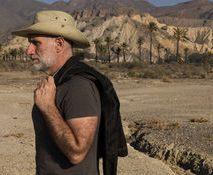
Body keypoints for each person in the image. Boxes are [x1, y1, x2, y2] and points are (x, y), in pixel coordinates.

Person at [12, 10, 127, 175]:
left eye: (36, 43)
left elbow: (77, 152)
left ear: (59, 44)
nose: (28, 51)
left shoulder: (78, 86)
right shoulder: (58, 81)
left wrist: (47, 107)